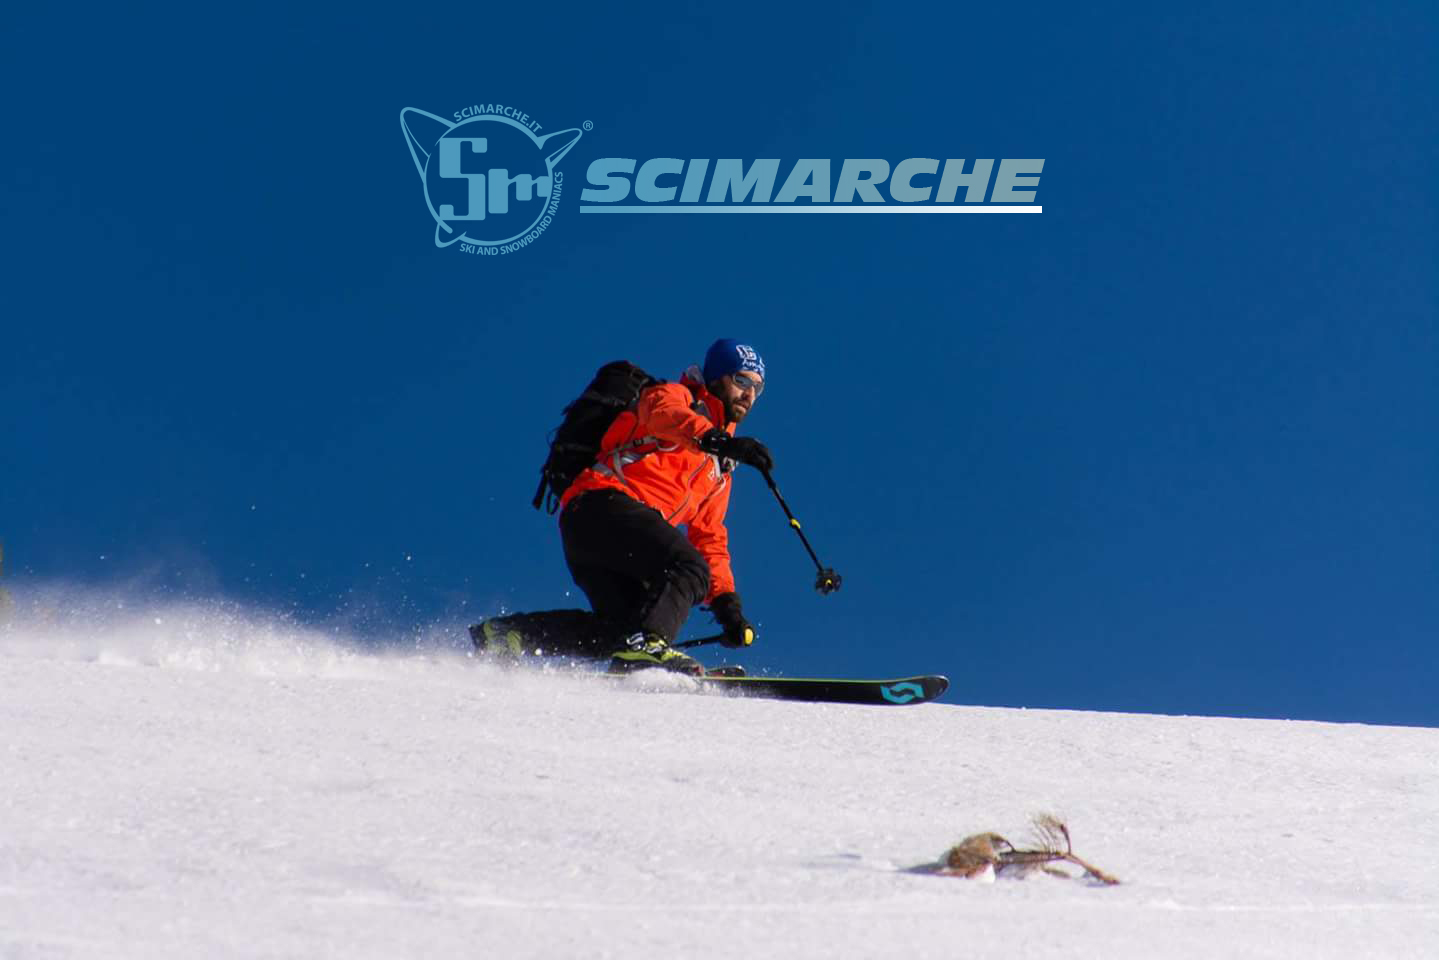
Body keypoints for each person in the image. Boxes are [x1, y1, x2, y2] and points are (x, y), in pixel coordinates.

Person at [471, 339, 774, 675]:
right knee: (687, 568)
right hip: (601, 506)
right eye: (741, 381)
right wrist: (717, 439)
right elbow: (663, 416)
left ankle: (509, 634)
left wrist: (726, 605)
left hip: (611, 537)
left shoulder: (720, 466)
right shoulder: (677, 397)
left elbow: (710, 538)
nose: (748, 395)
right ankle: (648, 649)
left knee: (619, 632)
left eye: (757, 389)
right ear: (717, 378)